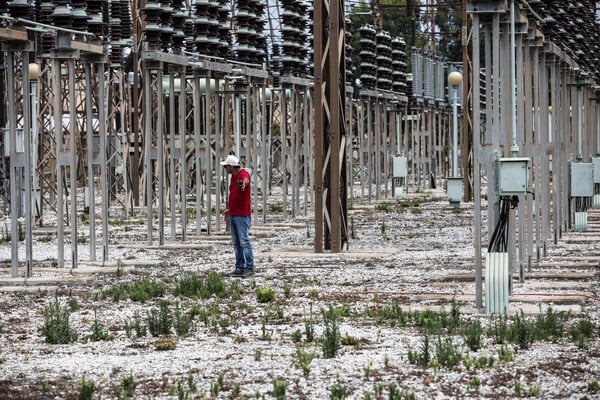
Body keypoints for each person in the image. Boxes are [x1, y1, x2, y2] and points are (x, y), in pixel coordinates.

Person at [220, 155, 254, 277]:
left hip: (242, 215)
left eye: (226, 166)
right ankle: (239, 267)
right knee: (236, 243)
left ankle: (249, 267)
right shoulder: (233, 178)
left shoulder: (243, 174)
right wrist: (229, 210)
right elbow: (235, 195)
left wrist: (243, 185)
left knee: (244, 241)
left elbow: (246, 180)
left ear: (231, 167)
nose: (225, 169)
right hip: (234, 214)